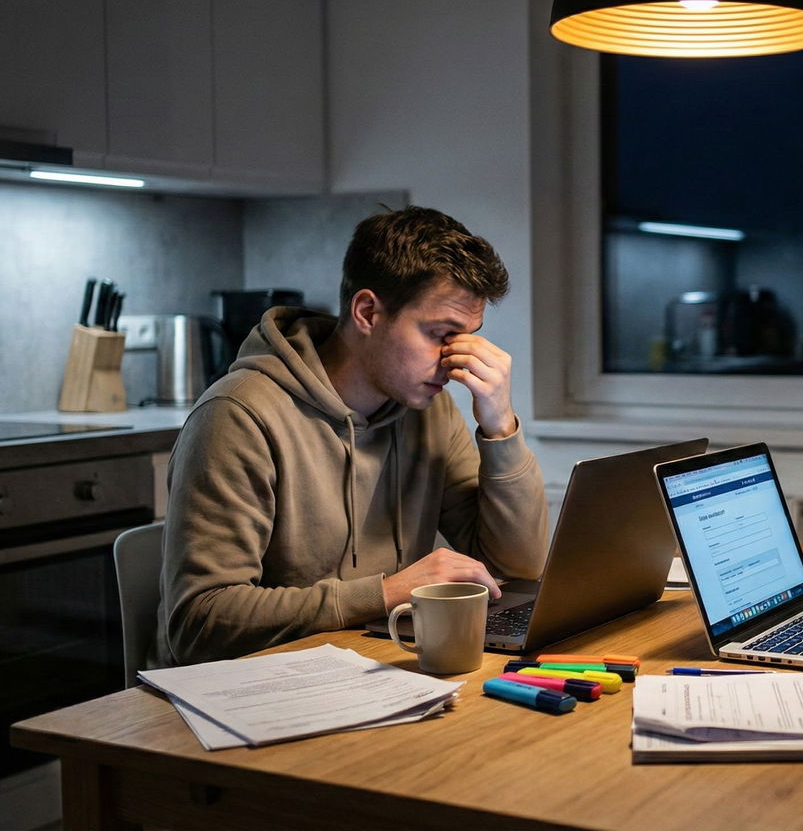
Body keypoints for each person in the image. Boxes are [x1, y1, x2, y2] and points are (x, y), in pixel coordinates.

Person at [155, 206, 548, 666]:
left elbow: (517, 569)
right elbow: (199, 623)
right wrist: (384, 593)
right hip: (246, 688)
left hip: (369, 665)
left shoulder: (429, 411)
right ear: (367, 312)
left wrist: (500, 426)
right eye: (441, 334)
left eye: (467, 338)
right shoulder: (237, 415)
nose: (454, 361)